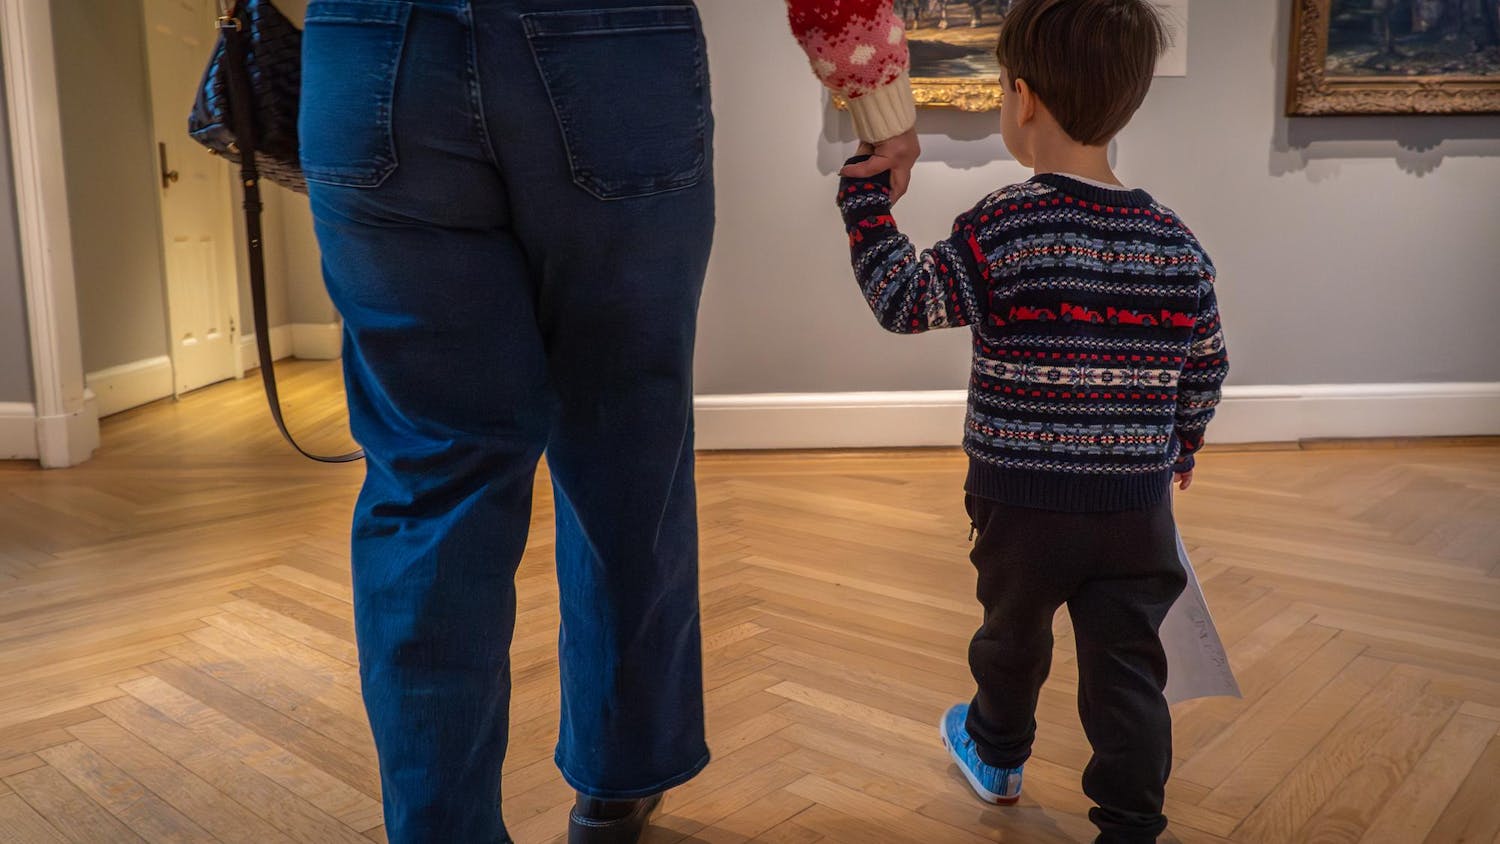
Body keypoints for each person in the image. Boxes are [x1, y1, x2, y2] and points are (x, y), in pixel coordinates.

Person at [300, 1, 917, 841]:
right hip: (607, 46)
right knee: (626, 437)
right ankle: (617, 782)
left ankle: (441, 828)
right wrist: (879, 104)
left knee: (430, 477)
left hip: (371, 50)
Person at [831, 0, 1230, 840]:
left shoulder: (1005, 227)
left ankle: (997, 752)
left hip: (1020, 502)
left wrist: (867, 203)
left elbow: (903, 300)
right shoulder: (1176, 244)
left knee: (1010, 636)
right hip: (1134, 505)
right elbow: (1204, 368)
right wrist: (1180, 446)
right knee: (1127, 670)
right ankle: (1131, 820)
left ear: (1020, 98)